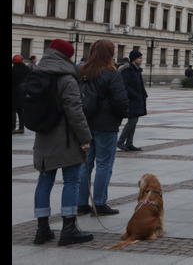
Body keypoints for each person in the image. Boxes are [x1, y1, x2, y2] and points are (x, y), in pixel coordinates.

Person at [30, 39, 94, 246]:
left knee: (44, 181)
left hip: (43, 138)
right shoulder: (66, 79)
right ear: (67, 56)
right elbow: (75, 111)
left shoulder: (38, 74)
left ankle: (42, 229)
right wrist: (85, 138)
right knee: (72, 181)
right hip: (66, 139)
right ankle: (69, 229)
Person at [77, 39, 129, 216]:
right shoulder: (111, 73)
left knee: (85, 164)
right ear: (111, 54)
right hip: (106, 125)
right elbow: (120, 100)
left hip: (84, 124)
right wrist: (120, 116)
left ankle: (81, 203)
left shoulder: (81, 71)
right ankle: (99, 203)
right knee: (104, 164)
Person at [117, 50, 148, 152]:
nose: (141, 59)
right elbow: (125, 85)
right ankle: (121, 142)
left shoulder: (136, 69)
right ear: (134, 59)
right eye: (140, 58)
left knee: (134, 121)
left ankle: (129, 143)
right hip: (131, 100)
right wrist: (134, 95)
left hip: (138, 99)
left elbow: (139, 84)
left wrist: (144, 94)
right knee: (132, 121)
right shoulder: (128, 70)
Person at [13, 55, 31, 134]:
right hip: (23, 92)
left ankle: (12, 128)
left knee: (13, 111)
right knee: (21, 111)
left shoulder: (13, 70)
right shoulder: (27, 69)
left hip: (13, 93)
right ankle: (21, 128)